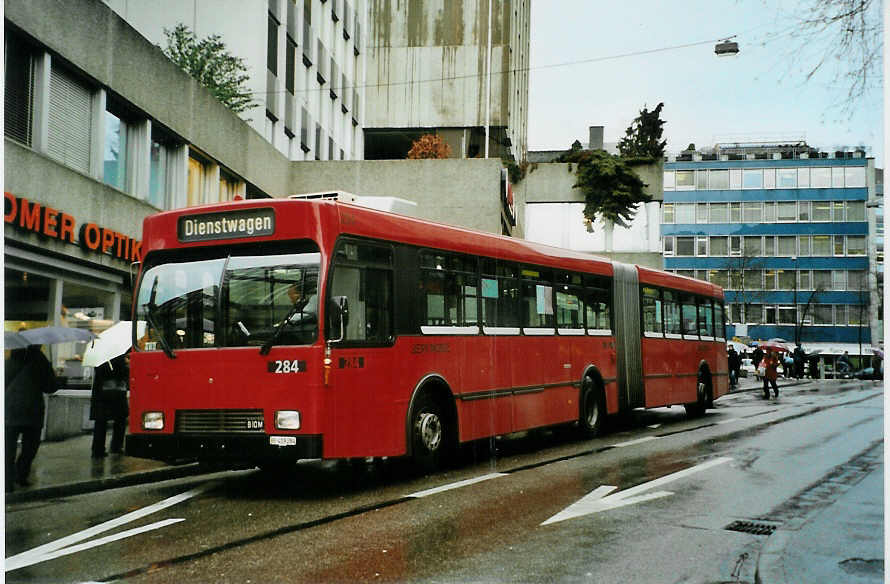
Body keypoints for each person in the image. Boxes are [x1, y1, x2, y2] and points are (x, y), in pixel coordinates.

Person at [5, 345, 57, 491]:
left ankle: (6, 482)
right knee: (30, 447)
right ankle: (21, 475)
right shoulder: (40, 361)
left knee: (8, 448)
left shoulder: (10, 360)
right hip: (32, 410)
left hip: (10, 410)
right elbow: (51, 387)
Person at [90, 353, 129, 458]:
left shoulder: (98, 356)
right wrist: (126, 366)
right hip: (116, 392)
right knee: (120, 419)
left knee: (101, 422)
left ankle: (98, 449)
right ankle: (116, 446)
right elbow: (122, 373)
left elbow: (99, 372)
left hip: (102, 393)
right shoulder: (119, 356)